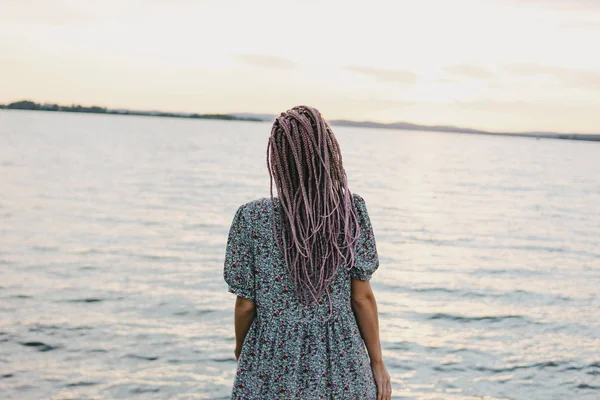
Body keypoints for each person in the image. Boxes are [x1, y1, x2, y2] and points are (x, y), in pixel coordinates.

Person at [223, 105, 391, 399]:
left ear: (277, 159)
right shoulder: (350, 210)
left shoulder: (251, 218)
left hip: (271, 360)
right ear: (327, 153)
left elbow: (246, 305)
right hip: (342, 361)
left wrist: (242, 350)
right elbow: (361, 298)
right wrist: (377, 363)